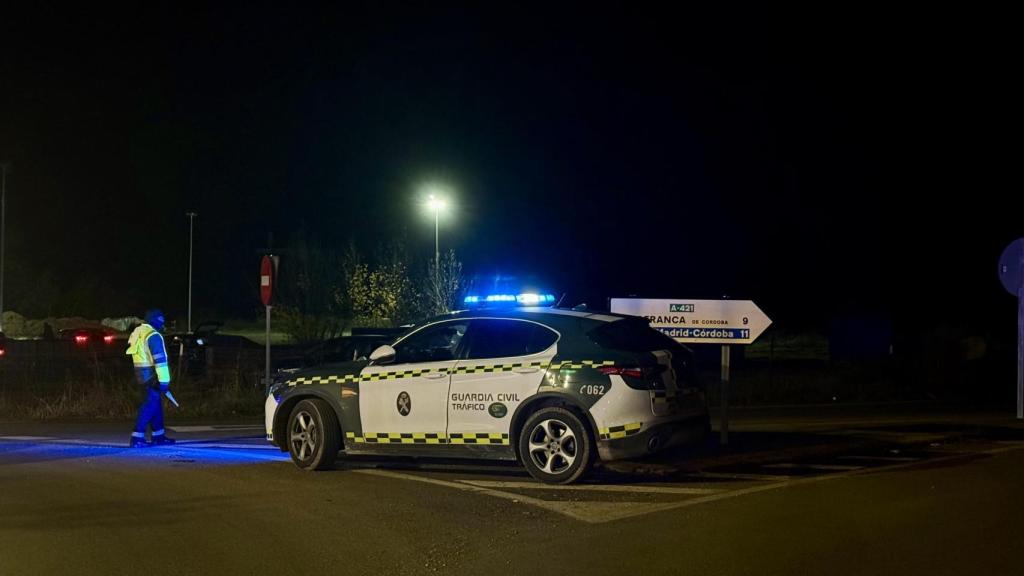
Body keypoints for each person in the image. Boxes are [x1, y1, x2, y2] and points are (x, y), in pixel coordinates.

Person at [125, 309, 176, 447]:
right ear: (155, 320)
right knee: (150, 404)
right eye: (161, 321)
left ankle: (158, 435)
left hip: (140, 373)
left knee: (155, 404)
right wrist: (164, 381)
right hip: (151, 373)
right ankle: (137, 437)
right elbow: (160, 361)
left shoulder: (138, 332)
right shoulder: (153, 335)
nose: (162, 324)